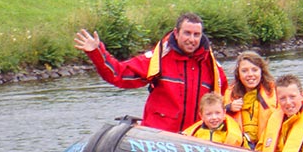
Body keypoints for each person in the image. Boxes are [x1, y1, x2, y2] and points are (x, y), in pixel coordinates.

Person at [74, 12, 227, 133]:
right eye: (187, 33)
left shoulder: (212, 67)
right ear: (176, 33)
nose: (192, 39)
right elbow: (118, 75)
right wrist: (96, 52)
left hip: (195, 140)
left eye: (196, 35)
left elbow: (226, 101)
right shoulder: (159, 59)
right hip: (159, 140)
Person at [224, 51, 277, 149]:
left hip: (267, 146)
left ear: (261, 71)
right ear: (238, 74)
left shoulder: (274, 92)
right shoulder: (230, 94)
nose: (250, 74)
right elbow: (217, 116)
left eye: (254, 70)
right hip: (240, 148)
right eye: (244, 71)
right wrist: (228, 108)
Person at [182, 92, 249, 147]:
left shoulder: (236, 136)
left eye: (217, 113)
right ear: (201, 116)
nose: (214, 117)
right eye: (209, 114)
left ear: (224, 113)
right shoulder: (194, 133)